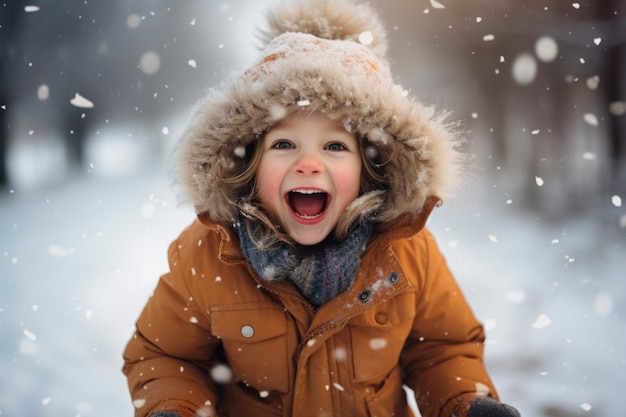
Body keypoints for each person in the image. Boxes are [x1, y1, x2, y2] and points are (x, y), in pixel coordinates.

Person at [122, 1, 521, 416]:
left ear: (370, 170)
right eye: (283, 144)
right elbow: (166, 355)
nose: (308, 163)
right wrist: (173, 406)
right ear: (249, 165)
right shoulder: (209, 253)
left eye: (334, 146)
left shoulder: (406, 254)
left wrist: (464, 403)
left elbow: (442, 349)